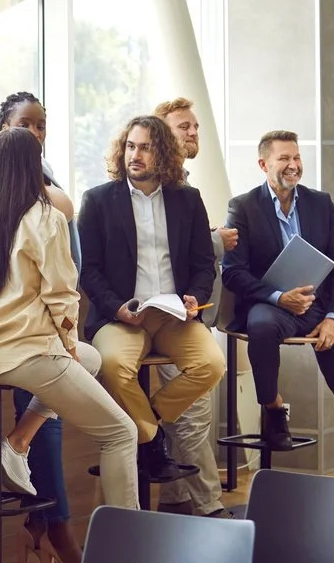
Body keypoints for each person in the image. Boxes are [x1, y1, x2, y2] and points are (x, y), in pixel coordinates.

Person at [0, 126, 138, 510]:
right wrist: (67, 347)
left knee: (92, 359)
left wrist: (73, 353)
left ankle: (18, 441)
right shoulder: (45, 217)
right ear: (32, 167)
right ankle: (129, 540)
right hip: (25, 352)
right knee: (121, 433)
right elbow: (61, 296)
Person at [77, 115, 225, 481]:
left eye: (144, 147)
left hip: (174, 313)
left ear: (162, 153)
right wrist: (116, 307)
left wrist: (196, 297)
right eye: (130, 146)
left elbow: (205, 264)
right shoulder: (97, 201)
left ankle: (148, 424)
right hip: (121, 315)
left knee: (211, 364)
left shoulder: (187, 200)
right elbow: (87, 269)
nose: (135, 155)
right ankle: (152, 439)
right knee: (111, 365)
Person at [222, 130, 334, 477]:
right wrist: (278, 297)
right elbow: (233, 273)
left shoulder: (320, 203)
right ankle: (273, 407)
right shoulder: (242, 207)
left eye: (297, 157)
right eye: (284, 159)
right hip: (272, 305)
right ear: (263, 164)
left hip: (319, 310)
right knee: (260, 325)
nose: (293, 165)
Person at [0, 91, 85, 561]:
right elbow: (64, 207)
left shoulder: (37, 178)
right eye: (26, 125)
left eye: (42, 126)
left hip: (54, 319)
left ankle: (40, 519)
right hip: (25, 327)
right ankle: (56, 524)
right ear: (4, 128)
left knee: (48, 413)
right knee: (53, 413)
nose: (36, 134)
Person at [150, 97, 233, 519]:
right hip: (155, 314)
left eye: (195, 126)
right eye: (184, 127)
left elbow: (193, 255)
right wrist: (217, 241)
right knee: (196, 407)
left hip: (188, 308)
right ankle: (208, 504)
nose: (193, 133)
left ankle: (177, 498)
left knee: (191, 408)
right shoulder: (147, 189)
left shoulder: (185, 189)